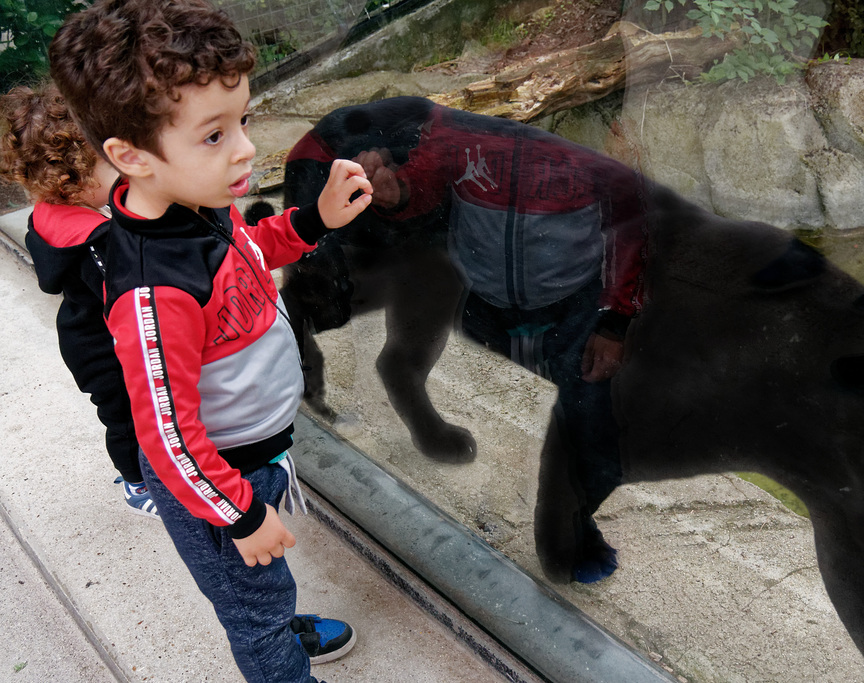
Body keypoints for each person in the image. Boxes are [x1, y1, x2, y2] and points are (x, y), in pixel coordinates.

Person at [48, 1, 373, 680]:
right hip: (216, 482)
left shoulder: (195, 208)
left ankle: (282, 625)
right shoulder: (152, 293)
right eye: (214, 135)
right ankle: (278, 657)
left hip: (245, 459)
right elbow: (165, 437)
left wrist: (312, 220)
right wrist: (240, 512)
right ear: (129, 156)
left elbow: (247, 251)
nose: (247, 147)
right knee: (251, 610)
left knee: (265, 584)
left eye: (243, 121)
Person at [286, 99, 649, 583]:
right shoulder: (456, 136)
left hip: (558, 294)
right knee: (331, 301)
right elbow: (424, 180)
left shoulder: (596, 169)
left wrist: (616, 320)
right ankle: (296, 377)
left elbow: (634, 225)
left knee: (592, 408)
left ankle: (568, 525)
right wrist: (398, 195)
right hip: (353, 178)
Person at [0, 82, 158, 518]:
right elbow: (127, 300)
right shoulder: (93, 241)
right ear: (78, 178)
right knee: (126, 420)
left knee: (121, 416)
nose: (123, 173)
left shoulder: (50, 216)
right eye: (111, 167)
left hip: (80, 332)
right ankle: (136, 483)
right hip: (103, 350)